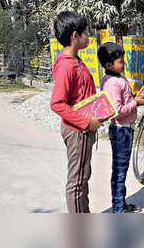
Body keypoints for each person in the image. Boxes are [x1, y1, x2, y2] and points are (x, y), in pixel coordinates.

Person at [50, 11, 101, 213]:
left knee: (82, 177)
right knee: (77, 182)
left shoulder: (75, 61)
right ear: (74, 36)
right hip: (78, 131)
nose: (88, 36)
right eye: (85, 33)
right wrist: (87, 123)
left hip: (82, 130)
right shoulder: (66, 66)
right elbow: (57, 104)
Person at [98, 42, 144, 213]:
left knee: (121, 171)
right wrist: (136, 102)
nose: (124, 64)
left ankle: (121, 204)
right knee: (120, 172)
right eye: (121, 62)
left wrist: (135, 99)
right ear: (108, 65)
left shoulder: (115, 78)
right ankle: (119, 209)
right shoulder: (112, 83)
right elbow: (117, 112)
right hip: (121, 130)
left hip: (124, 129)